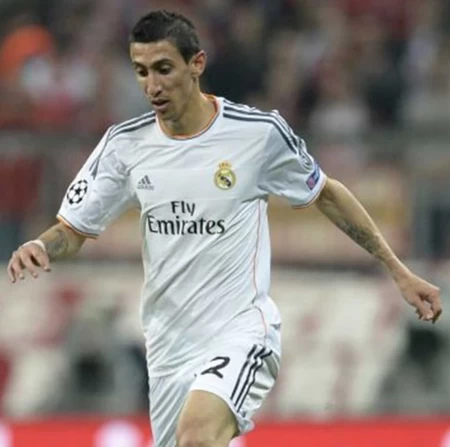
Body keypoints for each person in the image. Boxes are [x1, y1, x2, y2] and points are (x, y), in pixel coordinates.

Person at [7, 9, 442, 447]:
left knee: (198, 435)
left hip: (240, 331)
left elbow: (326, 194)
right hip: (167, 347)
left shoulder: (256, 134)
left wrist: (397, 269)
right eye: (141, 71)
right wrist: (41, 245)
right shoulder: (125, 145)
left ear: (196, 64)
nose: (152, 86)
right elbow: (73, 229)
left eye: (163, 68)